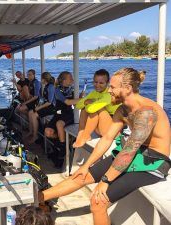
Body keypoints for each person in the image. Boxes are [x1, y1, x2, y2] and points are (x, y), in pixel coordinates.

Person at [39, 68, 171, 225]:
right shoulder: (122, 109)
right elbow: (107, 138)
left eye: (113, 87)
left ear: (127, 88)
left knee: (97, 202)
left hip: (152, 163)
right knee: (81, 175)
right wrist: (86, 165)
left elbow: (129, 151)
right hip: (132, 155)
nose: (109, 90)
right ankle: (38, 197)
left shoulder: (146, 112)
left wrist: (105, 181)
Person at [73, 69, 121, 148]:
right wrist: (86, 102)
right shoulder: (94, 93)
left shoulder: (109, 94)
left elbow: (91, 109)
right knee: (84, 109)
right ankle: (81, 132)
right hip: (100, 129)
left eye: (101, 83)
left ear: (107, 83)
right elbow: (78, 105)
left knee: (98, 109)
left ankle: (86, 135)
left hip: (114, 131)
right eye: (95, 82)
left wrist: (91, 102)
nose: (97, 85)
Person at [44, 71, 83, 168]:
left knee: (59, 124)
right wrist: (83, 99)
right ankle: (64, 143)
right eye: (71, 78)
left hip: (68, 115)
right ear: (64, 80)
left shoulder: (73, 89)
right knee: (47, 132)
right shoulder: (57, 90)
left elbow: (74, 105)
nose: (73, 80)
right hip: (58, 114)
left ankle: (61, 153)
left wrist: (80, 97)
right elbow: (68, 102)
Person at [27, 72, 55, 144]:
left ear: (44, 79)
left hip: (52, 107)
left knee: (33, 115)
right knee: (30, 112)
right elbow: (44, 99)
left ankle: (35, 135)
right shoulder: (46, 86)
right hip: (47, 105)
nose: (40, 80)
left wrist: (38, 108)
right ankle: (31, 131)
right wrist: (38, 106)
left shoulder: (51, 87)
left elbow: (49, 102)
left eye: (41, 79)